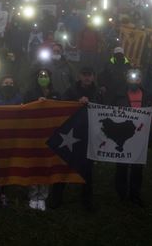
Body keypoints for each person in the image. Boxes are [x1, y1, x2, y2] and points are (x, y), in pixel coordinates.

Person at [51, 66, 101, 211]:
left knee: (87, 170)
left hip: (88, 135)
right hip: (70, 135)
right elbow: (62, 106)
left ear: (93, 77)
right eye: (84, 74)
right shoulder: (70, 90)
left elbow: (103, 109)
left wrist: (91, 102)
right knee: (64, 165)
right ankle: (56, 198)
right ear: (79, 76)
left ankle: (86, 200)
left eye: (89, 74)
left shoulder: (98, 92)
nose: (87, 77)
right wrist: (76, 102)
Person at [115, 68, 152, 206]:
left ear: (141, 80)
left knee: (137, 167)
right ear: (126, 79)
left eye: (137, 78)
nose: (134, 80)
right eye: (131, 77)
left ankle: (135, 194)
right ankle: (121, 192)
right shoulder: (119, 94)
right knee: (121, 165)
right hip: (123, 135)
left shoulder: (148, 96)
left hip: (140, 136)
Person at [23, 68, 60, 211]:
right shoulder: (30, 93)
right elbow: (24, 110)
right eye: (40, 75)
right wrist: (36, 104)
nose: (43, 77)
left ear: (50, 78)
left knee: (46, 164)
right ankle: (33, 195)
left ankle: (43, 196)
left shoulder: (56, 94)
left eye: (46, 75)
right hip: (33, 133)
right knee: (33, 163)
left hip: (50, 134)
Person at [0, 75, 23, 207]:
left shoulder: (18, 97)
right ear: (0, 83)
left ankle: (5, 192)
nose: (8, 84)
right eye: (6, 82)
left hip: (11, 134)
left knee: (7, 163)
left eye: (11, 83)